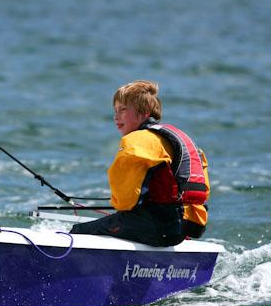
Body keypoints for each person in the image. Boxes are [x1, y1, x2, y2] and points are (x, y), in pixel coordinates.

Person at [70, 80, 209, 247]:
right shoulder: (174, 137)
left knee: (77, 232)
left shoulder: (136, 140)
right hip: (181, 229)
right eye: (115, 110)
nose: (116, 116)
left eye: (123, 109)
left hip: (155, 228)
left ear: (144, 112)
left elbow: (124, 201)